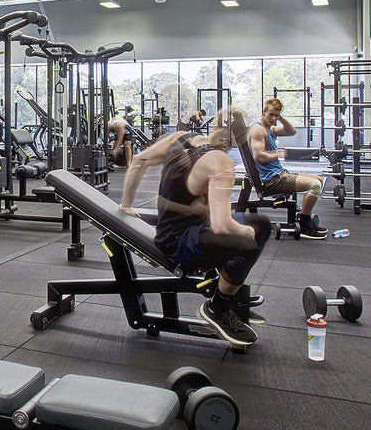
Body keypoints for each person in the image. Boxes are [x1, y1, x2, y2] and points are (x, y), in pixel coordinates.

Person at [119, 114, 272, 347]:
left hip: (175, 231)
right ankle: (218, 307)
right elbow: (222, 226)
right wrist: (244, 231)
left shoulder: (181, 137)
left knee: (261, 224)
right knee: (249, 242)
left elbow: (139, 160)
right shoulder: (221, 162)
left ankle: (229, 292)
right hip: (181, 242)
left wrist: (126, 205)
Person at [246, 98, 327, 239]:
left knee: (319, 179)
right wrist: (278, 153)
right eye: (270, 114)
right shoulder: (258, 130)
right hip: (271, 180)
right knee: (315, 185)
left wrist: (280, 117)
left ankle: (302, 217)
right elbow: (258, 156)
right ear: (263, 111)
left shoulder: (269, 128)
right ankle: (305, 225)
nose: (273, 118)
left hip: (278, 174)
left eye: (276, 115)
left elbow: (291, 131)